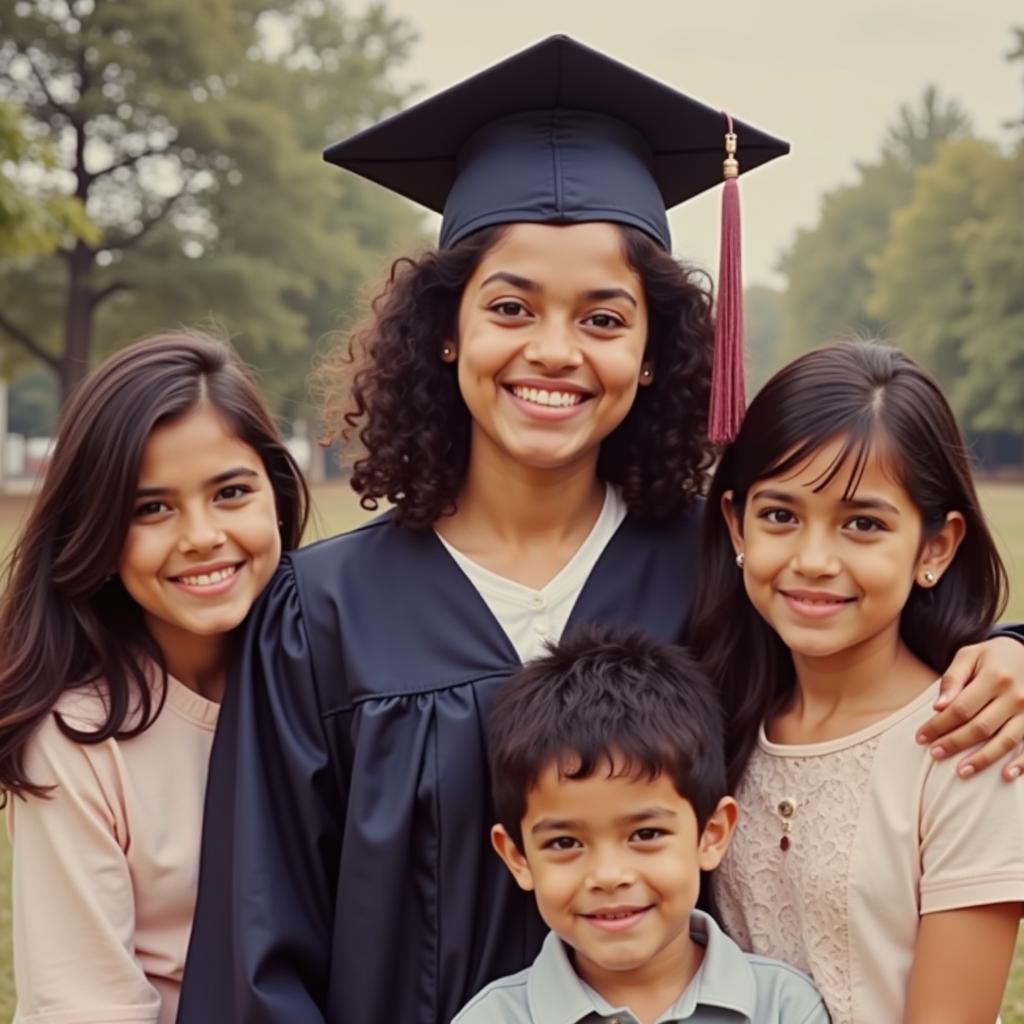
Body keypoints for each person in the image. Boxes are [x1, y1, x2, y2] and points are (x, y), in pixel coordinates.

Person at [179, 36, 1024, 1024]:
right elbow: (259, 948)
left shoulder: (715, 575)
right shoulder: (319, 614)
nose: (552, 350)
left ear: (657, 349)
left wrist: (1007, 652)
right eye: (509, 306)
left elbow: (863, 673)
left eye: (603, 317)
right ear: (446, 330)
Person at [691, 342, 1024, 1023]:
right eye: (780, 516)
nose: (814, 560)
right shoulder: (717, 714)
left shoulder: (968, 745)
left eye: (863, 525)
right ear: (736, 524)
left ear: (935, 547)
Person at [0, 332, 308, 1024]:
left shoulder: (336, 677)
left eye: (231, 492)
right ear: (99, 530)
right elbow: (88, 1006)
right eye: (152, 508)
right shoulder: (78, 739)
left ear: (277, 495)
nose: (201, 535)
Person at [454, 625, 830, 1024]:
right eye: (565, 843)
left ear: (712, 834)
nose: (608, 876)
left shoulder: (783, 1006)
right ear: (518, 857)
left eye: (645, 835)